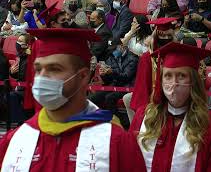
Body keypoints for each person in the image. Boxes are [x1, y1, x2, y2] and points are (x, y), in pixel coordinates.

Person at [0, 28, 124, 171]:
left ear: (83, 77)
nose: (42, 77)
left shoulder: (115, 142)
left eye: (54, 69)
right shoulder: (14, 140)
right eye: (38, 69)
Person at [129, 42, 211, 171]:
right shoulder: (143, 116)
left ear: (193, 81)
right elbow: (129, 161)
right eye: (168, 76)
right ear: (161, 80)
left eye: (182, 76)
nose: (174, 83)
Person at [89, 38, 138, 126]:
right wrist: (104, 74)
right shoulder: (111, 57)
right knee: (94, 98)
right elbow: (108, 80)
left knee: (109, 98)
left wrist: (112, 72)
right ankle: (97, 122)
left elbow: (126, 77)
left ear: (122, 46)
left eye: (115, 49)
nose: (113, 52)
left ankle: (121, 123)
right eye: (112, 50)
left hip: (127, 86)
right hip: (114, 85)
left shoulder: (132, 58)